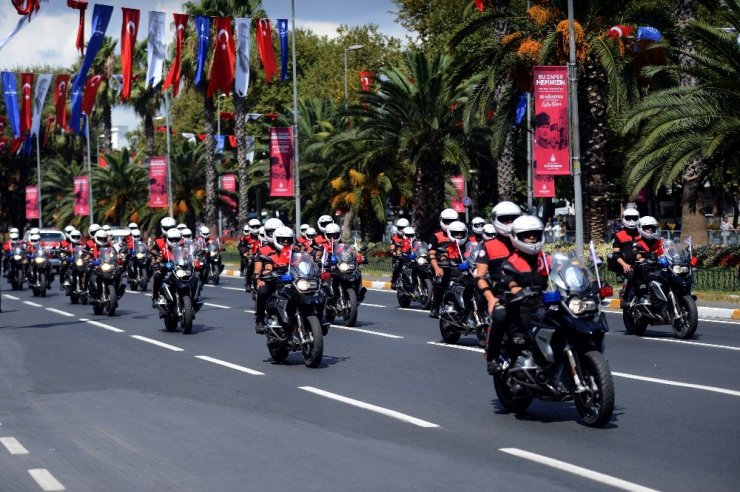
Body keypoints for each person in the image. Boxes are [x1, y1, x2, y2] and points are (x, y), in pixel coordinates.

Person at [485, 215, 548, 375]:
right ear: (517, 237)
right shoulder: (510, 262)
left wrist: (586, 278)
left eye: (535, 234)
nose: (532, 238)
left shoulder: (545, 258)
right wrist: (516, 290)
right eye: (527, 235)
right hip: (519, 305)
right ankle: (492, 357)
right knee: (499, 314)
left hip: (543, 304)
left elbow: (563, 270)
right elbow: (509, 281)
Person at [252, 218, 284, 333]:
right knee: (262, 292)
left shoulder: (291, 248)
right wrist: (257, 278)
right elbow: (257, 269)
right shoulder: (263, 250)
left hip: (288, 279)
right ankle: (259, 320)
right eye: (271, 232)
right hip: (271, 279)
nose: (274, 234)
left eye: (276, 231)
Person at [428, 208, 460, 318]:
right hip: (442, 266)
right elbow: (431, 254)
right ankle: (435, 306)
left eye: (453, 221)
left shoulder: (462, 233)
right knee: (439, 282)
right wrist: (437, 268)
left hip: (459, 265)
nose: (450, 224)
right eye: (447, 221)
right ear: (441, 221)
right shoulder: (436, 236)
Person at [629, 216, 665, 304]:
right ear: (641, 228)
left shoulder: (658, 241)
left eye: (652, 227)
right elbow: (635, 252)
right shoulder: (637, 241)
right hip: (642, 267)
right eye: (647, 227)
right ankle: (639, 296)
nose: (650, 229)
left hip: (656, 266)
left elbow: (664, 251)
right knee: (638, 277)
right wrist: (641, 258)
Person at [610, 207, 641, 302]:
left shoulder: (641, 233)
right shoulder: (619, 235)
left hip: (641, 264)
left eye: (634, 218)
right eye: (629, 218)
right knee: (631, 276)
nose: (631, 221)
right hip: (626, 265)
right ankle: (626, 298)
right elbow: (615, 254)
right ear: (624, 218)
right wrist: (624, 265)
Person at [390, 218, 410, 289]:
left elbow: (416, 245)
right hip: (399, 257)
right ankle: (394, 281)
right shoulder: (394, 237)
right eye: (400, 228)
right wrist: (394, 253)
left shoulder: (411, 236)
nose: (401, 229)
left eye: (403, 228)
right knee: (396, 267)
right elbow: (392, 249)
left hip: (409, 256)